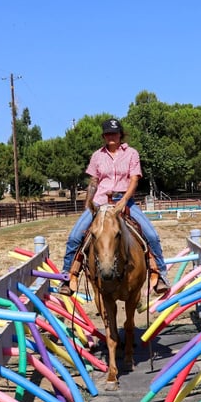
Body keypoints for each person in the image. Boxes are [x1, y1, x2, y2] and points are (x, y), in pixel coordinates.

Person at [59, 117, 171, 296]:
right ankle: (67, 276)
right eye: (108, 134)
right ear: (104, 136)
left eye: (114, 133)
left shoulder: (132, 153)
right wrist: (89, 203)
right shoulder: (97, 156)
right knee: (75, 236)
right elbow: (94, 181)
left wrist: (125, 200)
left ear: (120, 134)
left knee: (151, 235)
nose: (111, 136)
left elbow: (134, 179)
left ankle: (160, 274)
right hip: (100, 201)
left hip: (124, 200)